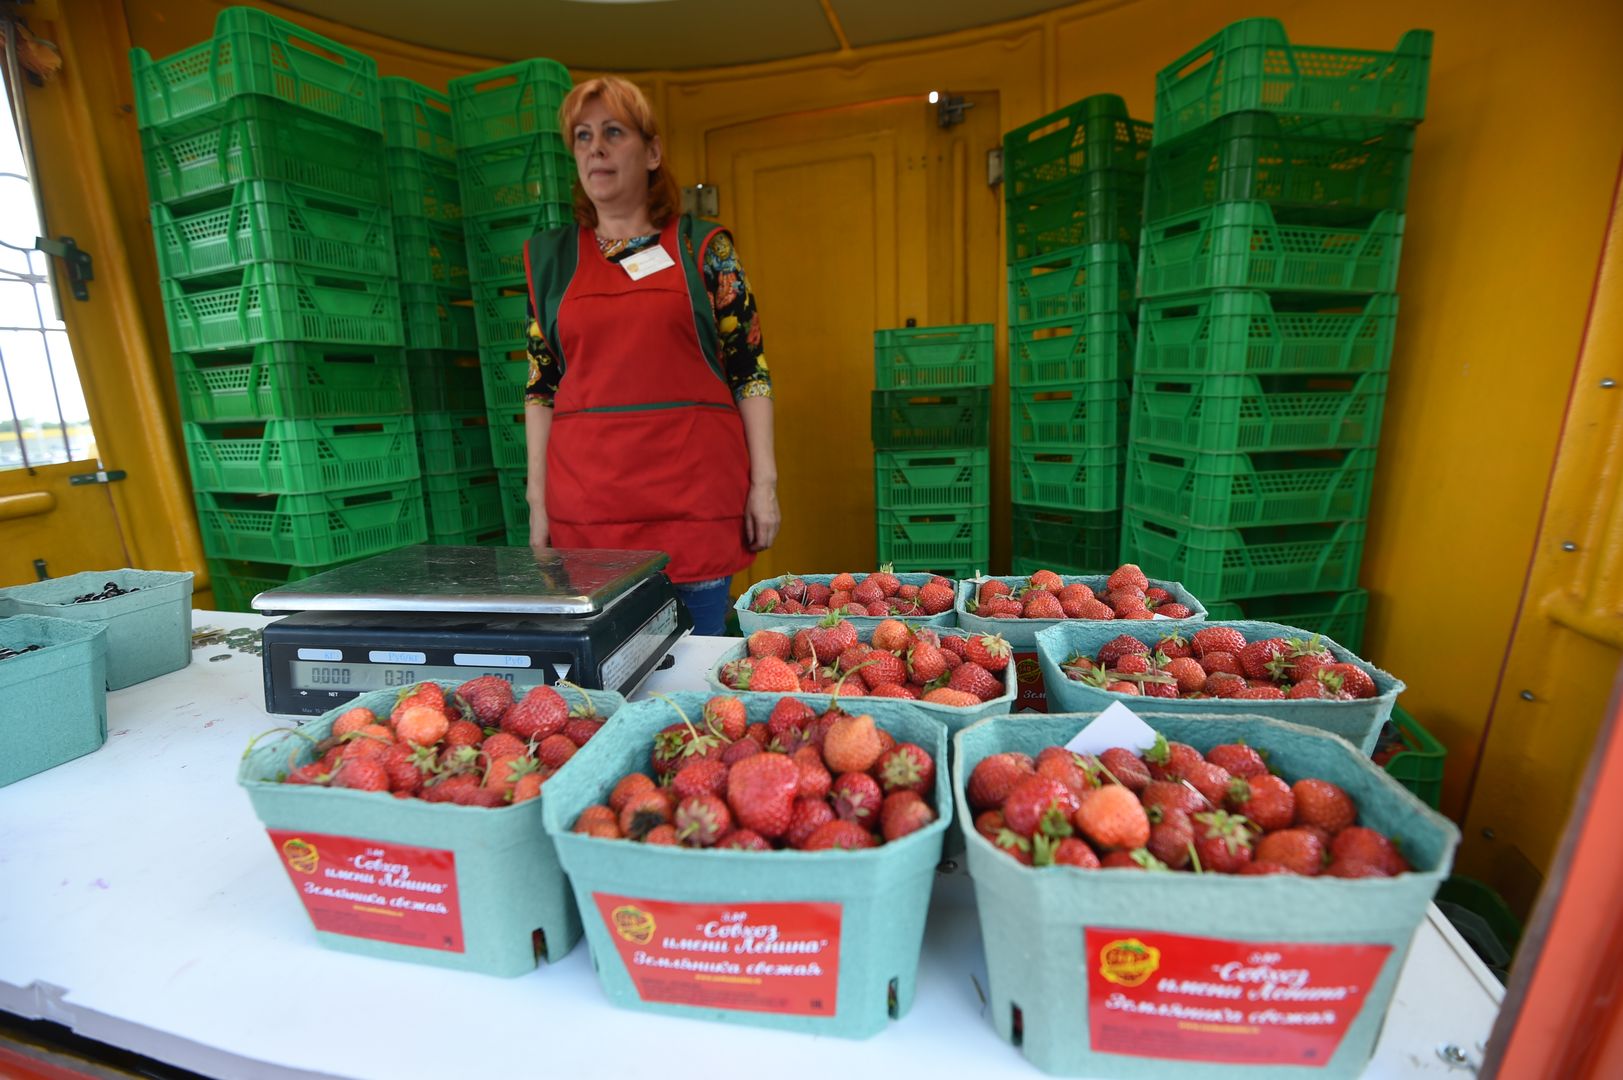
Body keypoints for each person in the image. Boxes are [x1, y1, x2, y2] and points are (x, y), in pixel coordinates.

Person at [521, 76, 779, 636]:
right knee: (601, 681)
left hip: (694, 508)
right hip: (588, 515)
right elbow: (541, 388)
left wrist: (764, 485)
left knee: (692, 672)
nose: (596, 148)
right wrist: (537, 503)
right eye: (583, 136)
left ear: (653, 151)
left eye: (614, 132)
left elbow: (749, 371)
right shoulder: (551, 261)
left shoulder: (706, 250)